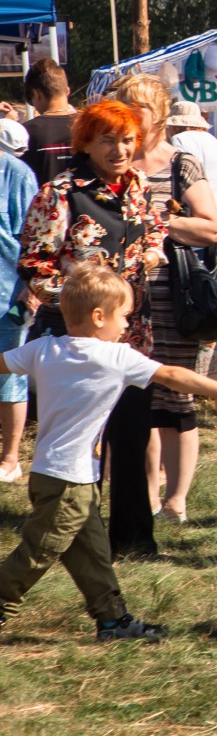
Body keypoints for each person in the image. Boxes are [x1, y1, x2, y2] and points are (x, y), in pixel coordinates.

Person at [0, 264, 217, 642]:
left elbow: (2, 363)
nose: (127, 326)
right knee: (38, 552)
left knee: (93, 553)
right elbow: (174, 376)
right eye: (124, 316)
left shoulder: (44, 348)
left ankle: (112, 620)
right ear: (99, 317)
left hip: (54, 475)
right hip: (68, 483)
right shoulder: (115, 357)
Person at [17, 101, 167, 559]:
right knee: (81, 441)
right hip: (79, 340)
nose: (120, 150)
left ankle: (134, 539)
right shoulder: (59, 192)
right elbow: (34, 264)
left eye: (126, 140)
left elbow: (153, 229)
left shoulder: (136, 183)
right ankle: (76, 534)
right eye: (108, 140)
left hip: (133, 333)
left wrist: (153, 250)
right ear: (86, 141)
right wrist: (83, 298)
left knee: (132, 433)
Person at [107, 73, 217, 534]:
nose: (132, 117)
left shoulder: (179, 162)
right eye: (124, 106)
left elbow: (212, 227)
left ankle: (177, 499)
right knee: (133, 395)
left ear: (161, 114)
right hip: (119, 300)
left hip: (170, 294)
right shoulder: (107, 158)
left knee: (176, 395)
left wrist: (154, 223)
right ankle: (146, 495)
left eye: (141, 109)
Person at [0, 140, 39, 484]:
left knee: (10, 378)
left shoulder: (15, 172)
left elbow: (33, 236)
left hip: (7, 294)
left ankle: (10, 458)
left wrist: (32, 286)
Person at [20, 57, 77, 186]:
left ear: (37, 94)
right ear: (67, 91)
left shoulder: (26, 132)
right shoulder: (91, 126)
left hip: (44, 204)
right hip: (87, 205)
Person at [165, 101, 217, 201]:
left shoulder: (178, 140)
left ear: (174, 126)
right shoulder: (214, 141)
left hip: (200, 206)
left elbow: (177, 177)